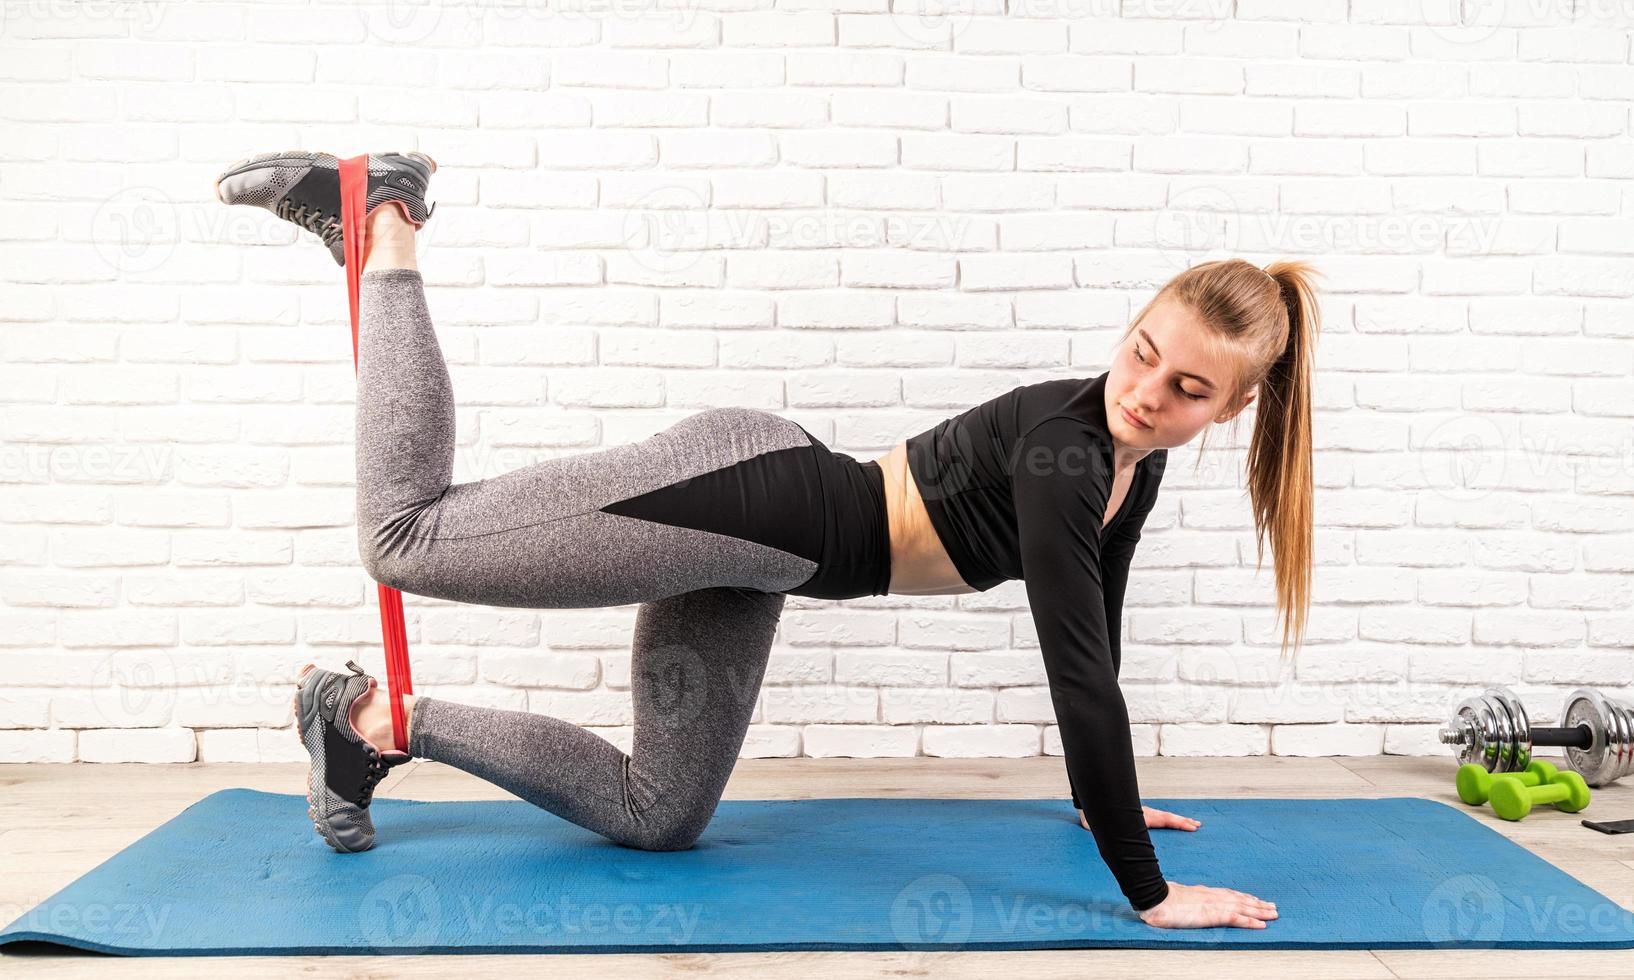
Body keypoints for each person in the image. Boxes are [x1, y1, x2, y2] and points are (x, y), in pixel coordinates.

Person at [215, 151, 1317, 931]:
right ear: (1128, 328)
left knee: (659, 812)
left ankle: (366, 717)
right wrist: (1144, 883)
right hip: (746, 496)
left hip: (764, 554)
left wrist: (1092, 799)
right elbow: (1078, 675)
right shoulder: (1069, 453)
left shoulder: (1135, 460)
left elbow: (1100, 628)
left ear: (1225, 409)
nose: (1142, 393)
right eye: (1138, 355)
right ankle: (383, 217)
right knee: (404, 536)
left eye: (1183, 389)